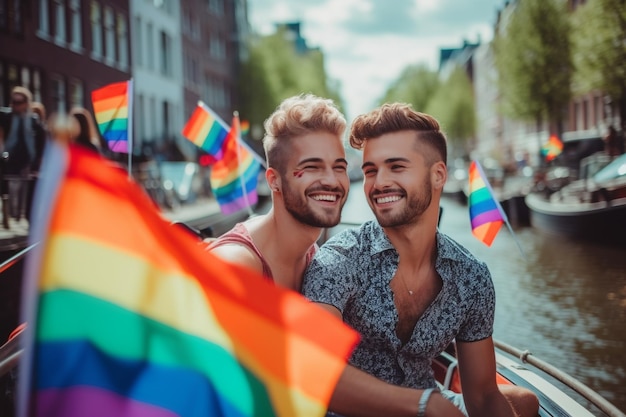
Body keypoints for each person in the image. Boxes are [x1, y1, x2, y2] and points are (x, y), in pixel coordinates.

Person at [207, 94, 464, 417]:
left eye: (338, 167)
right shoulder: (237, 265)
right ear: (274, 180)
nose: (331, 180)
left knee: (523, 402)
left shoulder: (317, 259)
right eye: (312, 167)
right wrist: (422, 405)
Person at [302, 103, 540, 417]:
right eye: (371, 170)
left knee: (525, 401)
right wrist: (424, 405)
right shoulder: (339, 261)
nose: (378, 183)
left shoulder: (471, 277)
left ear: (438, 175)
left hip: (429, 398)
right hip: (352, 411)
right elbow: (316, 374)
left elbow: (481, 396)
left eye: (396, 167)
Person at [0, 86, 46, 226]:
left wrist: (38, 161)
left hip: (27, 161)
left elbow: (41, 141)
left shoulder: (33, 120)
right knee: (10, 189)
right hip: (9, 159)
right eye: (14, 101)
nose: (15, 105)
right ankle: (11, 217)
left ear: (26, 103)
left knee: (25, 192)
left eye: (19, 102)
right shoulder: (6, 117)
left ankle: (22, 218)